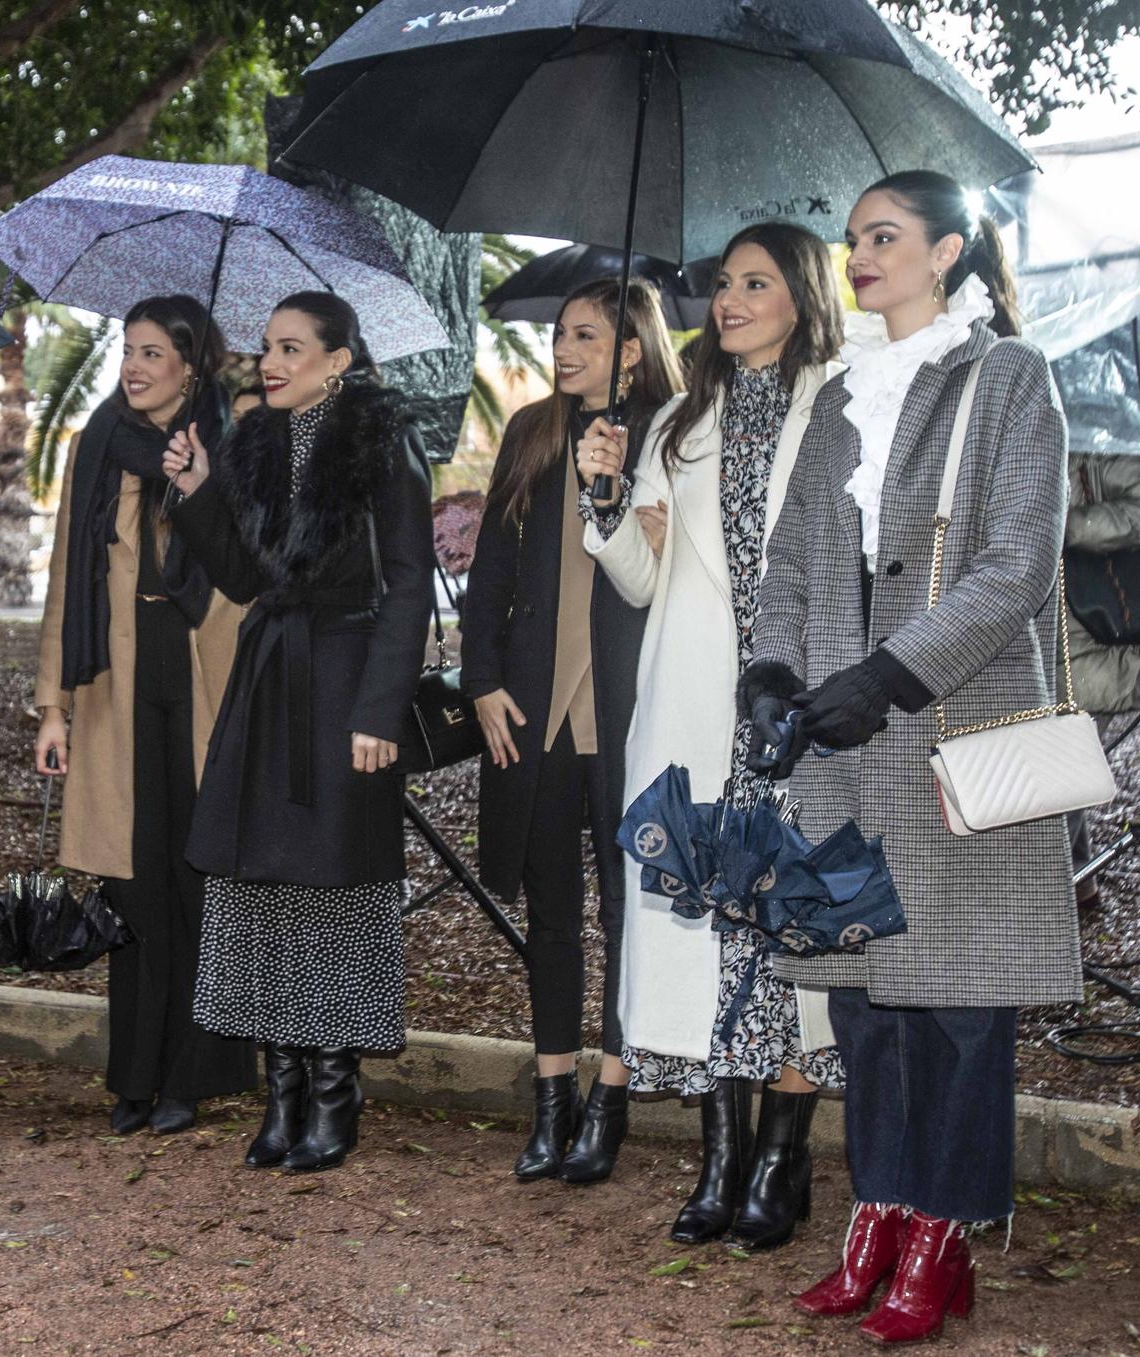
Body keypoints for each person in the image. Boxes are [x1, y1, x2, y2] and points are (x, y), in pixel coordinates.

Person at [741, 172, 1075, 1343]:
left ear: (945, 253)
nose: (856, 258)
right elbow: (786, 564)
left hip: (950, 732)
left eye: (881, 238)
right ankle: (876, 1208)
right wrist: (769, 674)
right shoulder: (838, 397)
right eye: (849, 241)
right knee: (865, 1005)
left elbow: (1014, 567)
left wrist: (884, 676)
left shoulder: (1007, 379)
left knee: (958, 1006)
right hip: (838, 748)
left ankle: (943, 1231)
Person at [580, 222, 847, 1247]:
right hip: (693, 704)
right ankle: (719, 1158)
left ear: (800, 294)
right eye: (722, 285)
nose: (728, 300)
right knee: (706, 939)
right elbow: (644, 581)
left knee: (792, 932)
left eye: (753, 283)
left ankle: (781, 1162)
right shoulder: (678, 422)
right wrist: (605, 497)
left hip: (799, 714)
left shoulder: (844, 402)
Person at [160, 291, 433, 1175]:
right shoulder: (256, 442)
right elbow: (243, 575)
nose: (270, 361)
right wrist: (199, 490)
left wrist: (378, 710)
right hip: (269, 675)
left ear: (338, 359)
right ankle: (280, 1092)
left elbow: (408, 580)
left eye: (291, 347)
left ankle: (333, 1091)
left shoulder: (380, 443)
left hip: (347, 680)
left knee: (336, 888)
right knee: (261, 882)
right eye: (266, 347)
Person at [460, 277, 681, 1185]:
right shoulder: (532, 431)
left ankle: (611, 1100)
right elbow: (490, 575)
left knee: (630, 907)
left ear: (631, 347)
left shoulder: (669, 434)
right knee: (549, 910)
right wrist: (481, 683)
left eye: (585, 334)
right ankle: (552, 1097)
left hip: (630, 708)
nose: (562, 348)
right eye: (560, 334)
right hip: (533, 704)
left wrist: (617, 476)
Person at [33, 295, 257, 1136]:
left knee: (195, 878)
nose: (133, 365)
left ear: (191, 366)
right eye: (129, 349)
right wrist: (52, 706)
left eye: (154, 352)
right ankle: (134, 1074)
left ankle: (191, 1076)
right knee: (132, 885)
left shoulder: (229, 443)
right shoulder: (100, 445)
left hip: (202, 670)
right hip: (117, 681)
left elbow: (249, 569)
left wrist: (200, 482)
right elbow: (65, 578)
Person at [1063, 451, 1140, 909]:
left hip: (1093, 636)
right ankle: (1079, 883)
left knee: (1062, 771)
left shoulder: (1104, 446)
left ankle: (1051, 897)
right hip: (1051, 634)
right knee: (1061, 769)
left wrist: (1064, 525)